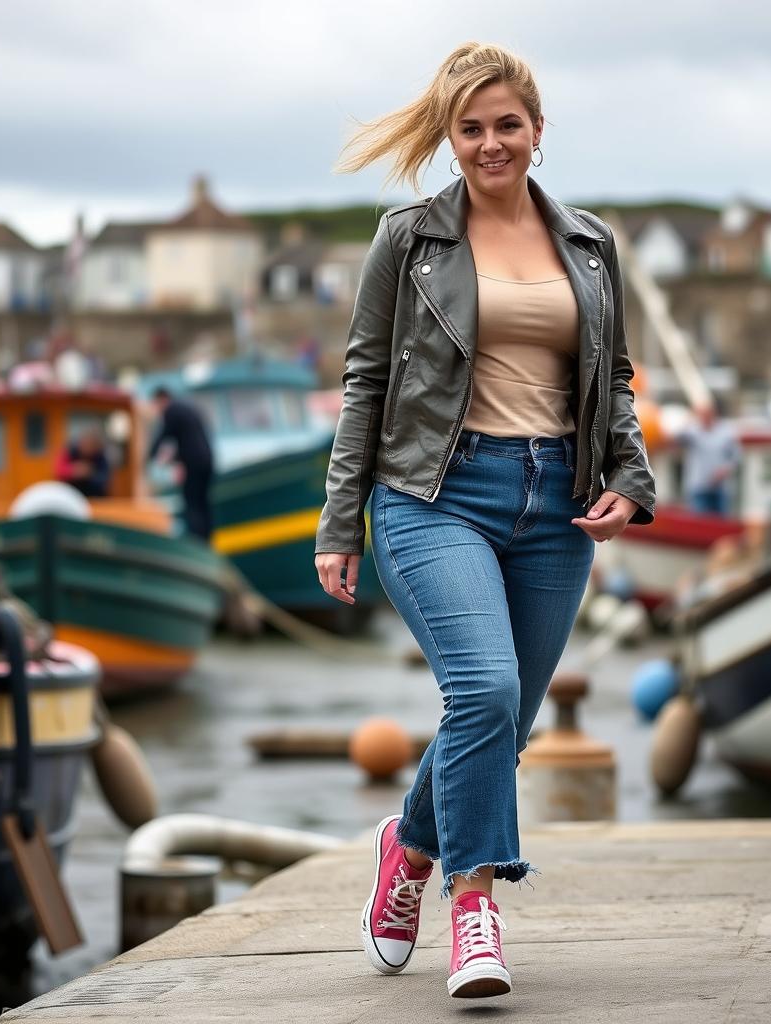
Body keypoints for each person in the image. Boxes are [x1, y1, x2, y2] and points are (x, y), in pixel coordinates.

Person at [313, 43, 655, 1000]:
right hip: (433, 495)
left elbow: (613, 380)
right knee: (487, 689)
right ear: (451, 138)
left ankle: (408, 845)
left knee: (505, 717)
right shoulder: (408, 238)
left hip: (555, 504)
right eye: (472, 128)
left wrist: (629, 475)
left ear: (538, 132)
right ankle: (475, 914)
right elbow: (366, 382)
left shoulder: (589, 244)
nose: (492, 142)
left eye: (509, 124)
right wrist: (340, 523)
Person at [147, 386, 215, 540]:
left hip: (193, 464)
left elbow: (164, 435)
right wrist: (176, 458)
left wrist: (149, 456)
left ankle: (198, 540)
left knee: (192, 503)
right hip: (207, 460)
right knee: (203, 502)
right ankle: (208, 538)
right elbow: (188, 439)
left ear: (161, 400)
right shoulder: (188, 408)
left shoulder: (172, 410)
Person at [675, 402, 741, 517]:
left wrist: (725, 469)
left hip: (720, 488)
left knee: (721, 524)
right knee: (698, 524)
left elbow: (736, 455)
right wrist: (688, 419)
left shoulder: (726, 432)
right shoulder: (692, 431)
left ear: (713, 414)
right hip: (699, 487)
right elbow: (677, 437)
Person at [55, 425, 111, 498]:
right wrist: (73, 471)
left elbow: (104, 479)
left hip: (94, 496)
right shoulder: (71, 451)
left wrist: (90, 474)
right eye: (86, 443)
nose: (88, 447)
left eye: (91, 445)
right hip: (71, 495)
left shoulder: (101, 457)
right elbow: (58, 470)